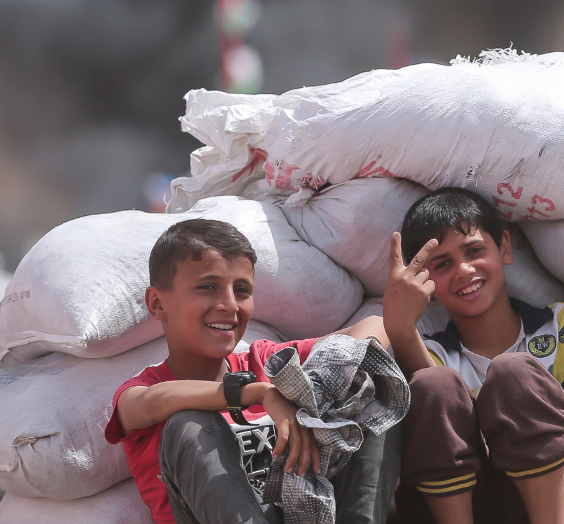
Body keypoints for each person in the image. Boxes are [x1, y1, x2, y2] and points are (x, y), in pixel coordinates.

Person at [105, 219, 427, 524]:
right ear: (157, 304)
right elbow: (152, 402)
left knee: (368, 384)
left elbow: (373, 328)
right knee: (188, 424)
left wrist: (323, 385)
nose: (230, 304)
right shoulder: (146, 389)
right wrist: (259, 394)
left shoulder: (265, 362)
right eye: (208, 287)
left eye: (242, 290)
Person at [385, 188, 564, 524]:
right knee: (434, 385)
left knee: (513, 373)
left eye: (474, 250)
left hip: (562, 503)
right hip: (470, 507)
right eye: (443, 264)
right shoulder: (432, 354)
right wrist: (401, 332)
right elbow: (437, 436)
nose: (463, 270)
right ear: (425, 282)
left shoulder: (556, 324)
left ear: (504, 247)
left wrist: (513, 436)